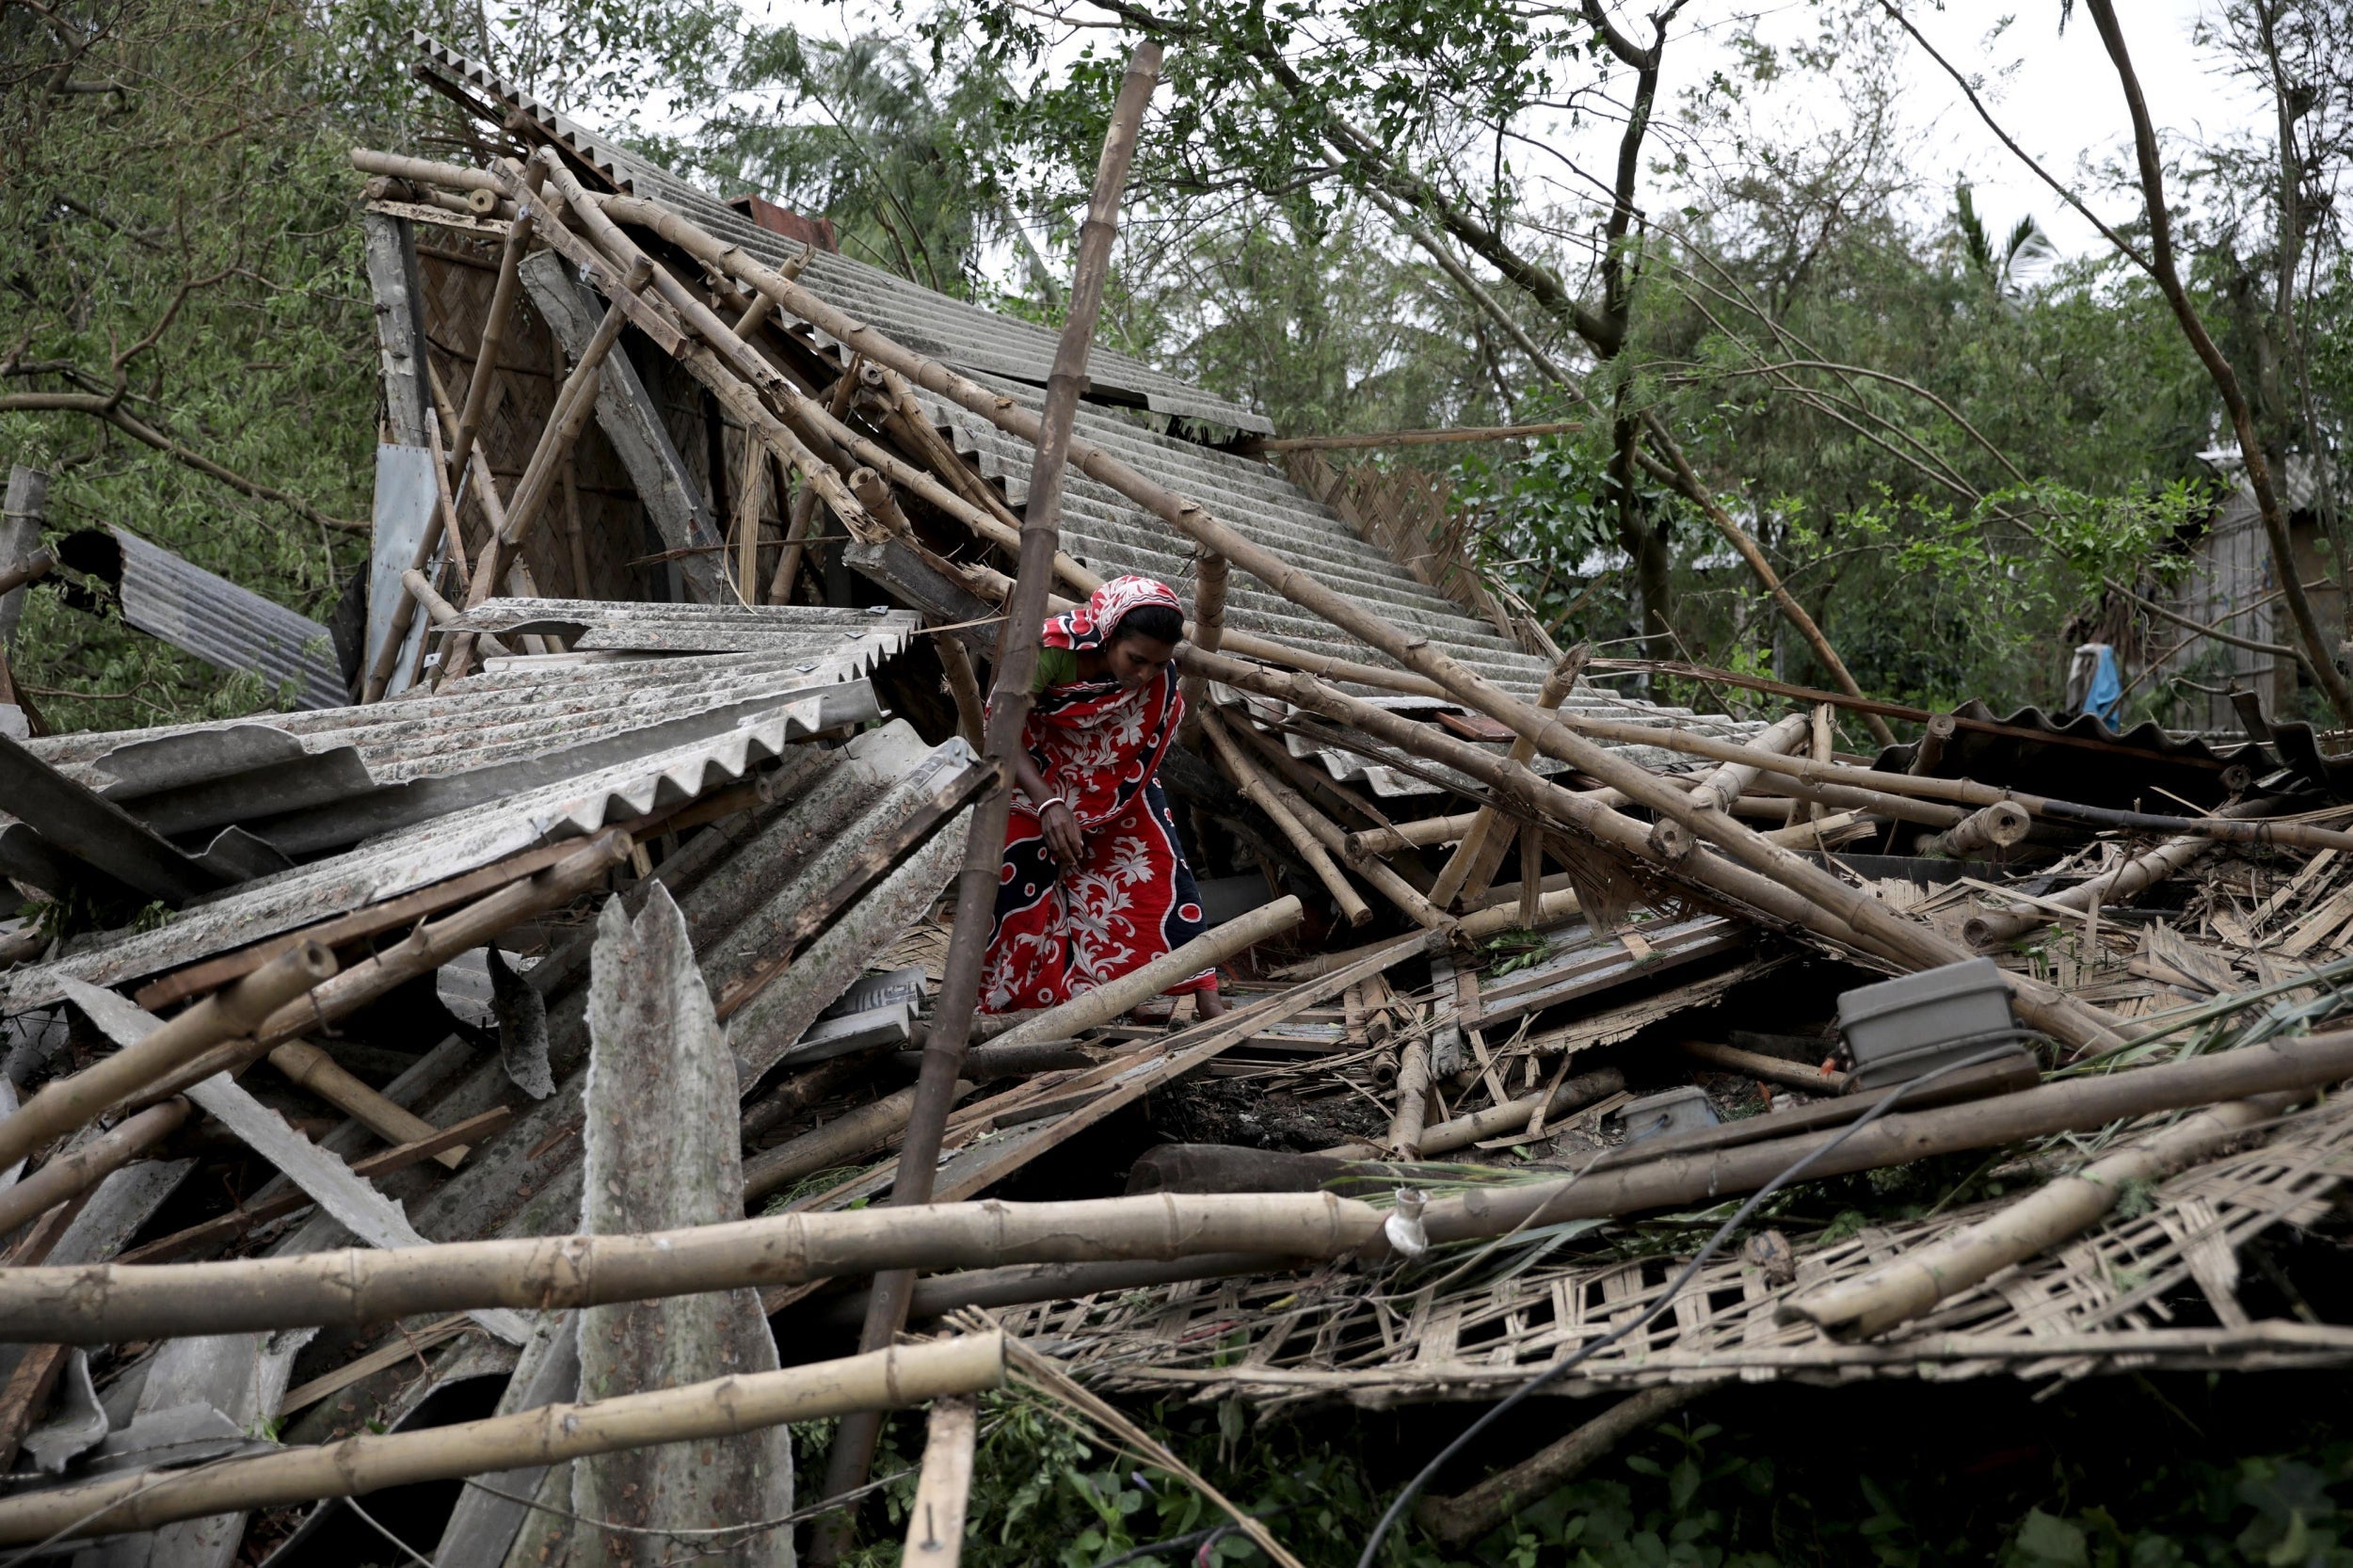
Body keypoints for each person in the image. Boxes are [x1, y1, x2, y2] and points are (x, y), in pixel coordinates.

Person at [979, 575, 1228, 1020]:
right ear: (1108, 634)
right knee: (1020, 874)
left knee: (1159, 869)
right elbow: (1003, 731)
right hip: (1032, 776)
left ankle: (1203, 992)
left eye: (1157, 665)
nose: (1144, 675)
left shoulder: (1156, 673)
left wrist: (1095, 796)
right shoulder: (1049, 650)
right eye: (1136, 660)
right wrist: (1049, 803)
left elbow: (1137, 742)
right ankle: (1024, 1007)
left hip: (1115, 783)